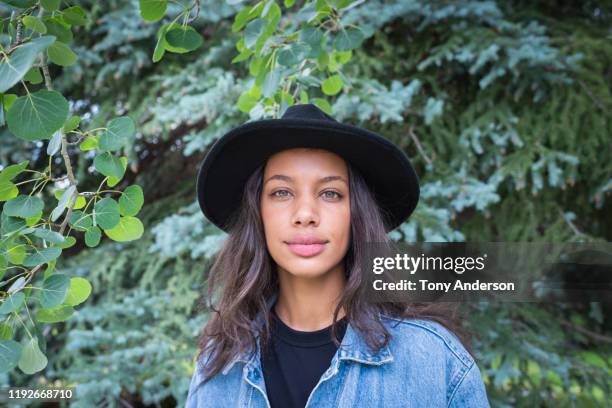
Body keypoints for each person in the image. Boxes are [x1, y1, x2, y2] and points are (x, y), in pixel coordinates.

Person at [186, 103, 490, 407]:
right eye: (281, 192)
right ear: (258, 213)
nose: (305, 214)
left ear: (355, 215)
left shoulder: (435, 363)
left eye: (330, 193)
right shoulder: (218, 369)